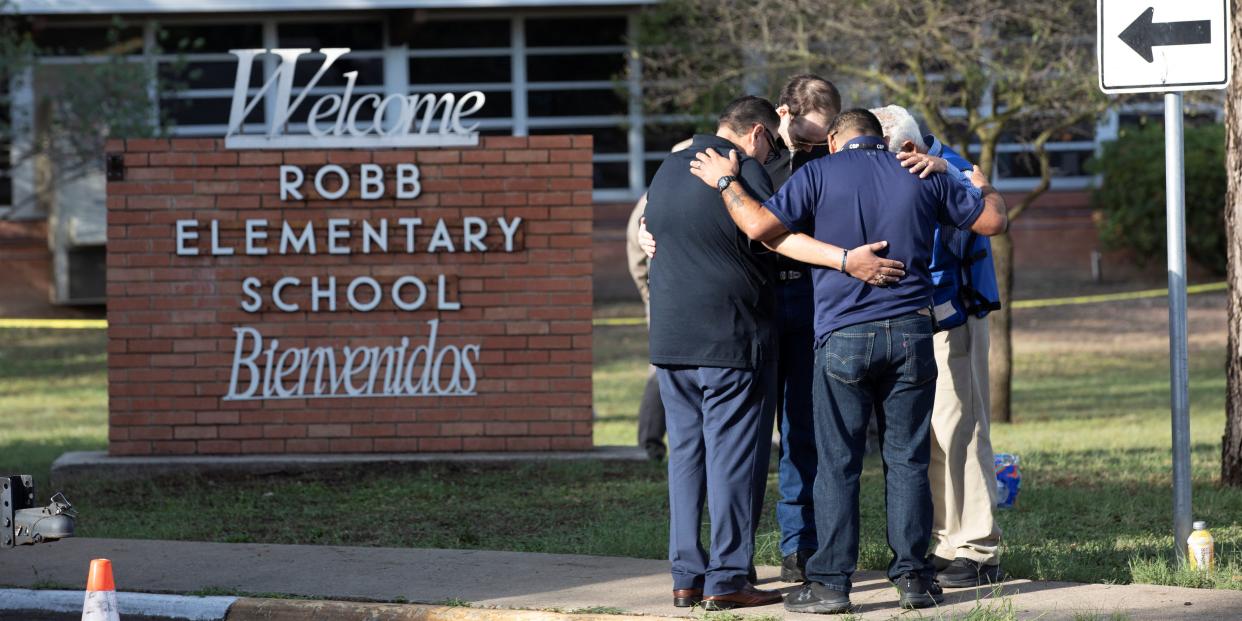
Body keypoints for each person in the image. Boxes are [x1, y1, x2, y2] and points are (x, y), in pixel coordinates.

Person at [686, 108, 1007, 612]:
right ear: (882, 140)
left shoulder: (816, 172)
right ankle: (915, 579)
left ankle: (832, 584)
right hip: (912, 334)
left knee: (837, 464)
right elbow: (993, 221)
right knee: (908, 460)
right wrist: (980, 185)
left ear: (834, 141)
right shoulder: (920, 172)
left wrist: (726, 180)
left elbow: (758, 226)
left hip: (842, 337)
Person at [639, 75, 949, 583]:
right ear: (778, 118)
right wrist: (646, 230)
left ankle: (799, 546)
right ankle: (737, 566)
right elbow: (703, 213)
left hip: (812, 300)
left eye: (822, 137)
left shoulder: (832, 159)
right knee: (743, 438)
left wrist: (939, 163)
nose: (813, 145)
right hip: (756, 304)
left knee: (806, 428)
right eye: (806, 134)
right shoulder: (745, 161)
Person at [870, 105, 1004, 587]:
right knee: (927, 436)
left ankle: (976, 550)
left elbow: (985, 219)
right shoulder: (915, 165)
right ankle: (946, 541)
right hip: (912, 321)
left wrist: (954, 176)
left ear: (907, 149)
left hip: (952, 320)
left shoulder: (952, 171)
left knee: (960, 430)